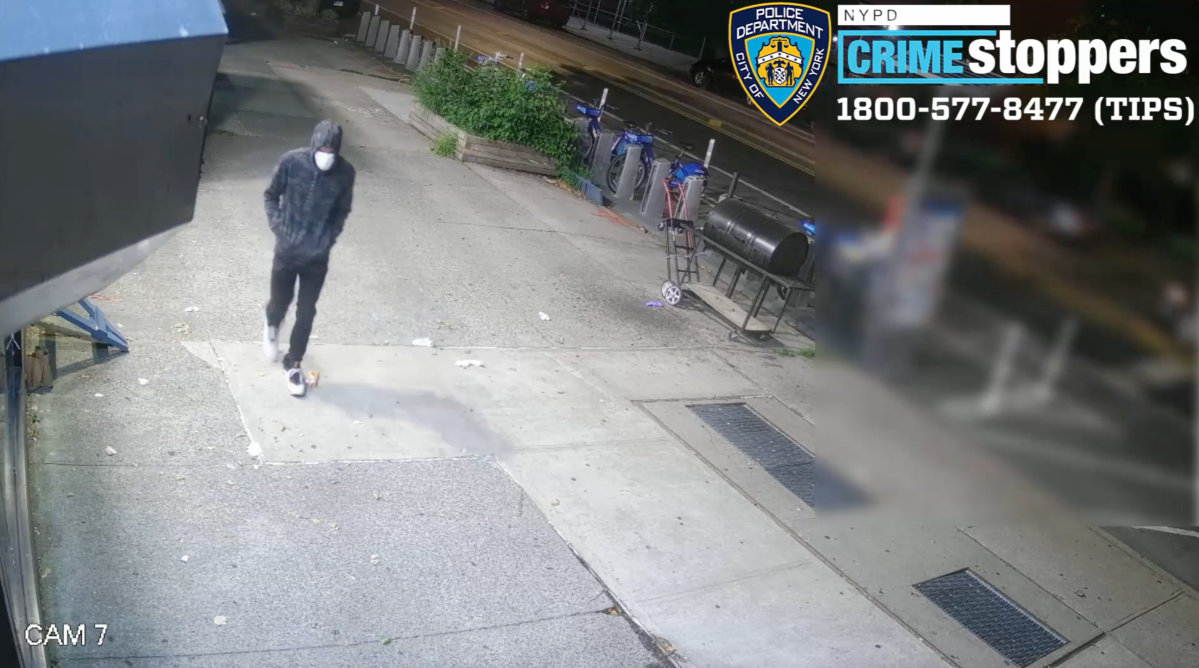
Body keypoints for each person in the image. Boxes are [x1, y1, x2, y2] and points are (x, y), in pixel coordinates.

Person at [262, 120, 355, 397]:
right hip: (287, 251)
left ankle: (293, 363)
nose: (327, 154)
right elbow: (270, 196)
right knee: (280, 302)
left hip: (317, 257)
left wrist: (328, 240)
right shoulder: (292, 162)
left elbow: (342, 211)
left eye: (332, 150)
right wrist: (280, 229)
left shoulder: (345, 173)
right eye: (323, 148)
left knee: (307, 309)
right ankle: (271, 323)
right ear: (315, 145)